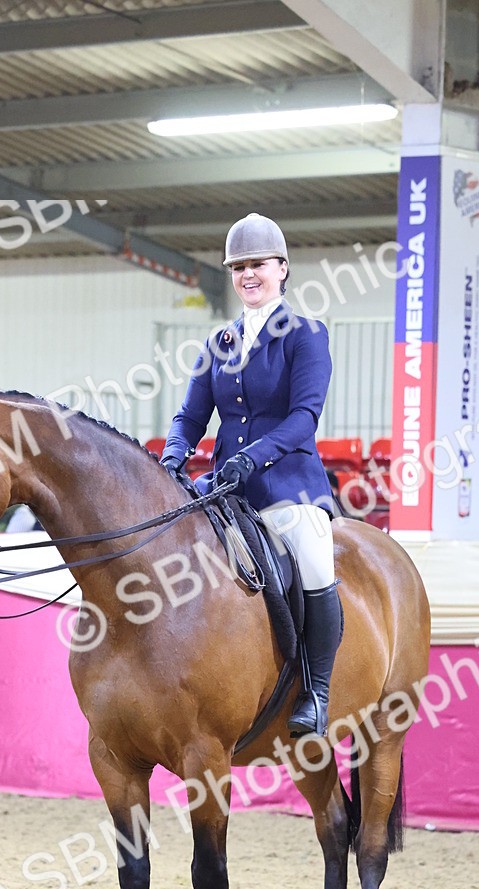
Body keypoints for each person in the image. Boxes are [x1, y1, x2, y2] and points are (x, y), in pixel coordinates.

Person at [161, 212, 341, 738]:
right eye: (239, 268)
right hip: (225, 490)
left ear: (281, 268)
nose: (248, 275)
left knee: (314, 561)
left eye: (257, 265)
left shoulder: (306, 335)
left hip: (289, 487)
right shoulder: (218, 343)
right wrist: (173, 456)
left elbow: (304, 418)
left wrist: (253, 457)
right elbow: (190, 417)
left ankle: (317, 691)